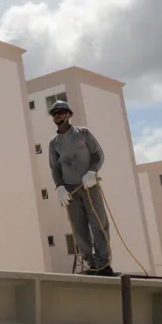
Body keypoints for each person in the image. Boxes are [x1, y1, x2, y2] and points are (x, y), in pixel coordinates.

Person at [48, 100, 114, 276]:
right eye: (54, 113)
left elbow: (98, 155)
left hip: (89, 185)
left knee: (99, 223)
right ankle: (91, 264)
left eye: (61, 112)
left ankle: (103, 264)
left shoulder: (83, 133)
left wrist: (92, 172)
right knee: (79, 229)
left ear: (69, 114)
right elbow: (55, 168)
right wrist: (60, 187)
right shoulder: (54, 144)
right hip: (71, 191)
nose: (58, 115)